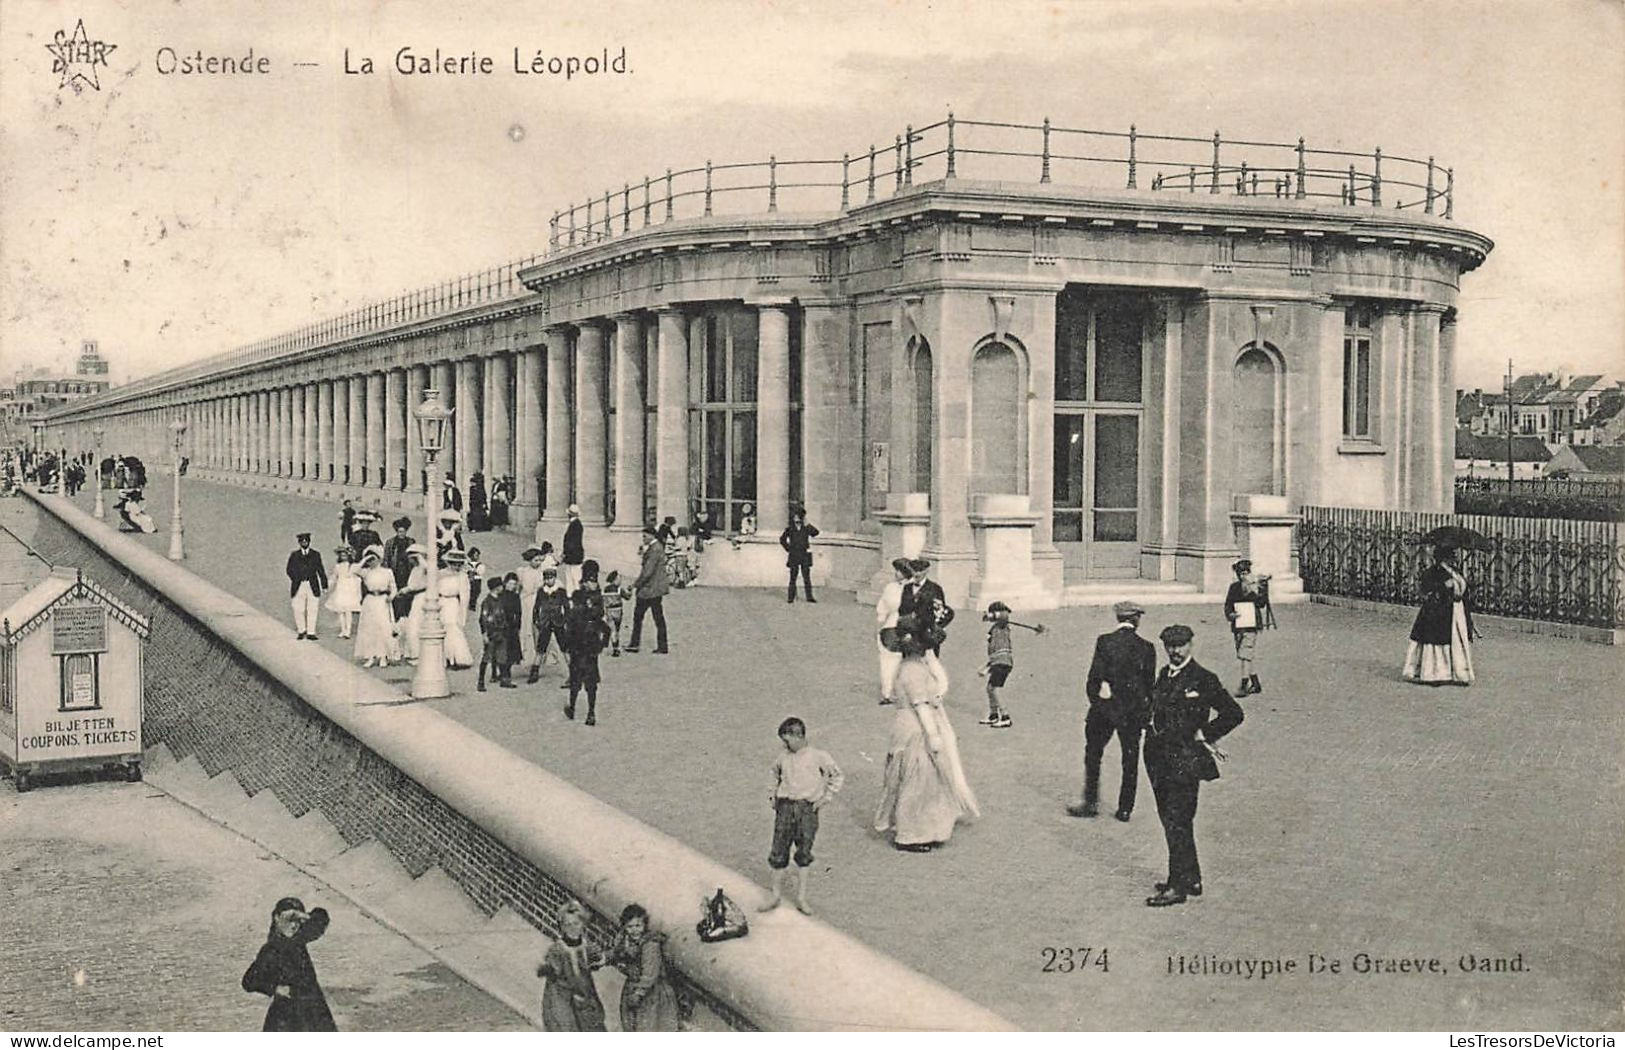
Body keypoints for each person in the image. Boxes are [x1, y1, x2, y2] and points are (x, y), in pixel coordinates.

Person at [1143, 624, 1245, 906]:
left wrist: (1206, 733)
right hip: (1158, 760)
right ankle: (1191, 877)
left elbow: (1234, 713)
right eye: (1170, 646)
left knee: (1178, 820)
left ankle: (1177, 887)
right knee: (1172, 820)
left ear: (1191, 645)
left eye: (1180, 645)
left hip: (1186, 761)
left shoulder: (1203, 678)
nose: (1175, 651)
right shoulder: (1164, 675)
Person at [873, 613, 979, 852]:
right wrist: (933, 734)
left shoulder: (910, 666)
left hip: (911, 725)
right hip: (916, 729)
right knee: (918, 781)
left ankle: (925, 828)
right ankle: (910, 834)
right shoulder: (913, 671)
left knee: (924, 781)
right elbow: (921, 705)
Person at [1069, 600, 1157, 822]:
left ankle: (1090, 802)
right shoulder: (1147, 647)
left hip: (1105, 711)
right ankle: (1125, 808)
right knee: (1130, 759)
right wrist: (1145, 715)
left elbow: (1093, 680)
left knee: (1093, 754)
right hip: (1132, 714)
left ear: (1118, 618)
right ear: (1136, 620)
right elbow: (1150, 687)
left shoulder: (1105, 642)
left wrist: (1099, 705)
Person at [761, 716, 844, 914]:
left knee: (804, 852)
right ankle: (775, 895)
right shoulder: (783, 757)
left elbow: (837, 776)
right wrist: (772, 795)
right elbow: (774, 774)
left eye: (787, 740)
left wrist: (825, 798)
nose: (785, 744)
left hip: (807, 810)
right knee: (779, 850)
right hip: (785, 808)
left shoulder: (818, 756)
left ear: (798, 736)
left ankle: (801, 898)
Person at [241, 897, 336, 1032]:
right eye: (289, 920)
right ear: (276, 918)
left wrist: (303, 915)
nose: (294, 925)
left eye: (298, 921)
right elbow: (249, 981)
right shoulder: (271, 949)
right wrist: (275, 988)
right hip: (287, 1016)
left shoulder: (298, 939)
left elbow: (320, 919)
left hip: (314, 1010)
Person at [1403, 545, 1476, 686]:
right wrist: (1443, 586)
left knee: (1456, 640)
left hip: (1456, 609)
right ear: (1444, 557)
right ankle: (1434, 673)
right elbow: (1425, 590)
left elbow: (1463, 588)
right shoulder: (1433, 572)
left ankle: (1457, 672)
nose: (1455, 558)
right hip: (1438, 611)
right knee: (1438, 641)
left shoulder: (1456, 571)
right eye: (1452, 555)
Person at [608, 904, 681, 1032]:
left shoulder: (650, 945)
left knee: (649, 1026)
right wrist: (605, 958)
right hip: (633, 986)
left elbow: (650, 973)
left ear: (644, 925)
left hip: (651, 991)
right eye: (630, 927)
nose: (634, 930)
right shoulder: (625, 940)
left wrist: (639, 993)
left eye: (638, 926)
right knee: (631, 1023)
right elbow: (616, 952)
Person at [536, 900, 607, 1031]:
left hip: (584, 993)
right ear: (562, 927)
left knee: (593, 1025)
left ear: (583, 924)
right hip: (561, 996)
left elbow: (598, 959)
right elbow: (551, 969)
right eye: (567, 925)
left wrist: (598, 961)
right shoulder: (557, 949)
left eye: (576, 923)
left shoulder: (586, 946)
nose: (572, 928)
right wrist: (547, 969)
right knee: (566, 1027)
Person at [899, 558, 953, 697]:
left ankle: (937, 689)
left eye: (919, 571)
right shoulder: (907, 588)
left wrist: (936, 628)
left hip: (926, 633)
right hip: (910, 633)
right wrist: (904, 630)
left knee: (930, 662)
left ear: (926, 571)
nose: (916, 574)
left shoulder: (934, 589)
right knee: (910, 662)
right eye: (913, 571)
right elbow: (902, 611)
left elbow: (941, 612)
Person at [563, 561, 608, 724]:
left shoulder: (579, 597)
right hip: (590, 644)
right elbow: (601, 619)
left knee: (578, 678)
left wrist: (567, 643)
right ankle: (590, 713)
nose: (592, 583)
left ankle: (575, 709)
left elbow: (572, 620)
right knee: (589, 680)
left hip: (580, 643)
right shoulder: (597, 597)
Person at [1223, 558, 1274, 696]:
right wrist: (1230, 615)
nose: (1244, 576)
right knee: (1244, 654)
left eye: (1246, 573)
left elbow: (1261, 604)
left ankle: (1244, 684)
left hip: (1251, 625)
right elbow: (1228, 605)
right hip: (1238, 625)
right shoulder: (1234, 588)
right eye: (1241, 573)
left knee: (1245, 653)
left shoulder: (1255, 587)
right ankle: (1255, 683)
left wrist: (1258, 589)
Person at [625, 527, 670, 654]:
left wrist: (635, 585)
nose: (643, 539)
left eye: (645, 536)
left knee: (638, 617)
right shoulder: (657, 547)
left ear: (651, 536)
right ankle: (662, 646)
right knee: (658, 617)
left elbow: (647, 572)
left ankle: (635, 644)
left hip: (648, 590)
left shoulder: (654, 549)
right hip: (656, 589)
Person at [353, 546, 399, 668]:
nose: (371, 562)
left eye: (373, 559)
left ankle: (383, 656)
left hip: (382, 601)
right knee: (369, 628)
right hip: (370, 601)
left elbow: (393, 587)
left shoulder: (387, 572)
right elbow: (354, 570)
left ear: (379, 559)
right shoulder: (366, 572)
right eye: (369, 559)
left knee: (382, 627)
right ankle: (370, 656)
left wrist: (392, 596)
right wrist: (364, 559)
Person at [875, 558, 911, 706]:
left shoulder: (912, 589)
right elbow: (882, 606)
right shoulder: (890, 587)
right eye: (896, 570)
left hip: (909, 627)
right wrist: (881, 620)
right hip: (890, 627)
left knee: (908, 662)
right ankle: (887, 692)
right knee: (888, 661)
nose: (896, 574)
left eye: (900, 571)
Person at [976, 601, 1016, 728]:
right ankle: (993, 715)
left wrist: (991, 615)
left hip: (1003, 662)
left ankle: (1005, 716)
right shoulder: (994, 629)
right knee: (990, 688)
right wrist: (987, 667)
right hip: (997, 661)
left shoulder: (1002, 626)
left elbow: (1004, 615)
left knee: (995, 689)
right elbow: (993, 653)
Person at [529, 566, 570, 684]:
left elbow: (567, 608)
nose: (548, 581)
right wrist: (536, 621)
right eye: (546, 579)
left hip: (558, 622)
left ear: (555, 579)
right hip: (545, 623)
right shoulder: (541, 591)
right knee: (540, 648)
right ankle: (534, 672)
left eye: (551, 578)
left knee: (565, 648)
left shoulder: (561, 591)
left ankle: (573, 672)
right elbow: (536, 607)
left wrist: (565, 621)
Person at [285, 532, 329, 641]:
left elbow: (320, 570)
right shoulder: (294, 555)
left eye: (306, 541)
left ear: (309, 542)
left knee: (312, 608)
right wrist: (296, 578)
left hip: (312, 584)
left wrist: (324, 585)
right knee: (298, 608)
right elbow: (289, 569)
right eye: (302, 541)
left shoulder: (315, 554)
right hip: (299, 585)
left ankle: (311, 632)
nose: (304, 543)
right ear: (299, 543)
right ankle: (301, 630)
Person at [437, 549, 475, 670]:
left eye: (458, 564)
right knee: (441, 629)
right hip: (441, 602)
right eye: (453, 563)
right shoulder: (440, 574)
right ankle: (444, 658)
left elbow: (465, 596)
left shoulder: (462, 576)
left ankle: (456, 658)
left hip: (453, 604)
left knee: (453, 628)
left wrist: (462, 612)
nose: (456, 566)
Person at [398, 545, 432, 662]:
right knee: (414, 624)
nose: (410, 561)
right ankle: (414, 652)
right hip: (416, 598)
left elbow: (430, 574)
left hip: (423, 597)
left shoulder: (425, 568)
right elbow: (412, 585)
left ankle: (419, 654)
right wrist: (405, 590)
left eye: (411, 558)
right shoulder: (415, 570)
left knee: (416, 624)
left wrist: (420, 558)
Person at [476, 575, 510, 692]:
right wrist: (484, 634)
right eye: (500, 586)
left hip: (501, 631)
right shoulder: (487, 602)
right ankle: (481, 681)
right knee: (487, 656)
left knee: (502, 656)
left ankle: (504, 680)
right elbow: (483, 618)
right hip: (492, 632)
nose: (502, 587)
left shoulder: (499, 599)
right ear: (496, 588)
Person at [779, 508, 821, 603]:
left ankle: (809, 597)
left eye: (798, 516)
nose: (796, 518)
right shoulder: (790, 529)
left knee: (806, 577)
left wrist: (807, 524)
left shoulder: (806, 528)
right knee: (793, 577)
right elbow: (782, 539)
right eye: (795, 516)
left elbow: (815, 533)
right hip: (794, 555)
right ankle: (791, 597)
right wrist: (788, 548)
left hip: (804, 555)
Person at [325, 546, 364, 640]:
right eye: (341, 555)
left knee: (348, 610)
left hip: (350, 589)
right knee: (340, 610)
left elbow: (361, 574)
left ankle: (348, 631)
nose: (343, 557)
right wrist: (327, 587)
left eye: (345, 555)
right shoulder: (338, 566)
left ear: (349, 556)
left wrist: (356, 581)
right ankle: (343, 629)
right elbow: (333, 577)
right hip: (340, 588)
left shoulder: (353, 566)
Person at [382, 517, 416, 621]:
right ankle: (396, 617)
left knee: (407, 594)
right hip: (395, 571)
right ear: (397, 532)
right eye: (400, 531)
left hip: (407, 572)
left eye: (404, 531)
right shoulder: (390, 542)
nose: (402, 534)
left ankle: (405, 616)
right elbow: (386, 558)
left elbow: (414, 555)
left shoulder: (410, 542)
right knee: (395, 593)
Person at [497, 573, 524, 687]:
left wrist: (518, 625)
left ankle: (504, 673)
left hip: (512, 627)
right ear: (505, 583)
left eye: (514, 584)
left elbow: (519, 612)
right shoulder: (500, 595)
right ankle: (505, 677)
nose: (512, 586)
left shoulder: (515, 596)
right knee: (503, 652)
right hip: (502, 627)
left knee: (512, 653)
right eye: (510, 583)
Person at [602, 569, 631, 657]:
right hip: (618, 612)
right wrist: (630, 591)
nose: (620, 581)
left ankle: (611, 644)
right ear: (615, 580)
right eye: (619, 579)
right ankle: (616, 648)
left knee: (612, 629)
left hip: (609, 612)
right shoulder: (619, 590)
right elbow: (627, 597)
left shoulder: (605, 589)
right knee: (616, 630)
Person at [561, 504, 585, 594]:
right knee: (572, 578)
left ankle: (574, 596)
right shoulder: (576, 524)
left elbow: (571, 543)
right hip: (574, 556)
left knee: (574, 578)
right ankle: (571, 595)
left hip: (573, 557)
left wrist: (565, 554)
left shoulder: (575, 525)